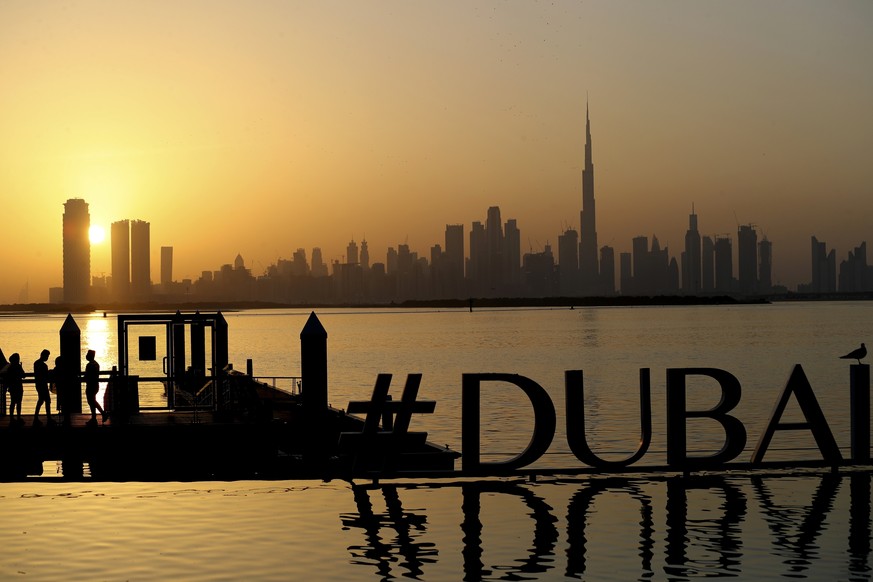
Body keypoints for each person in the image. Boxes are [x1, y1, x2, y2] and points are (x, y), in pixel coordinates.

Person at [84, 349, 106, 424]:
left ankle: (100, 415)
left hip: (90, 385)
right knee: (93, 401)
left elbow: (86, 376)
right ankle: (94, 418)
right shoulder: (96, 364)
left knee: (91, 402)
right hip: (96, 385)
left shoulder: (89, 365)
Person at [33, 349, 53, 424]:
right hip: (43, 385)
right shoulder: (44, 365)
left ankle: (36, 417)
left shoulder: (36, 363)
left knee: (41, 401)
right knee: (47, 401)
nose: (47, 358)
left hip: (38, 385)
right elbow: (46, 376)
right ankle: (48, 418)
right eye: (47, 356)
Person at [51, 355, 72, 425]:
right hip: (65, 389)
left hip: (60, 389)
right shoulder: (65, 370)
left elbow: (53, 373)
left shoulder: (56, 370)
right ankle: (67, 419)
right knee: (66, 404)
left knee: (62, 404)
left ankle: (66, 420)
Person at [5, 353, 25, 421]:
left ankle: (11, 417)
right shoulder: (18, 366)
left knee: (12, 402)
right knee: (18, 403)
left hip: (12, 387)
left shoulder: (10, 367)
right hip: (18, 386)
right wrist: (21, 367)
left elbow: (8, 378)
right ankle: (18, 417)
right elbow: (23, 375)